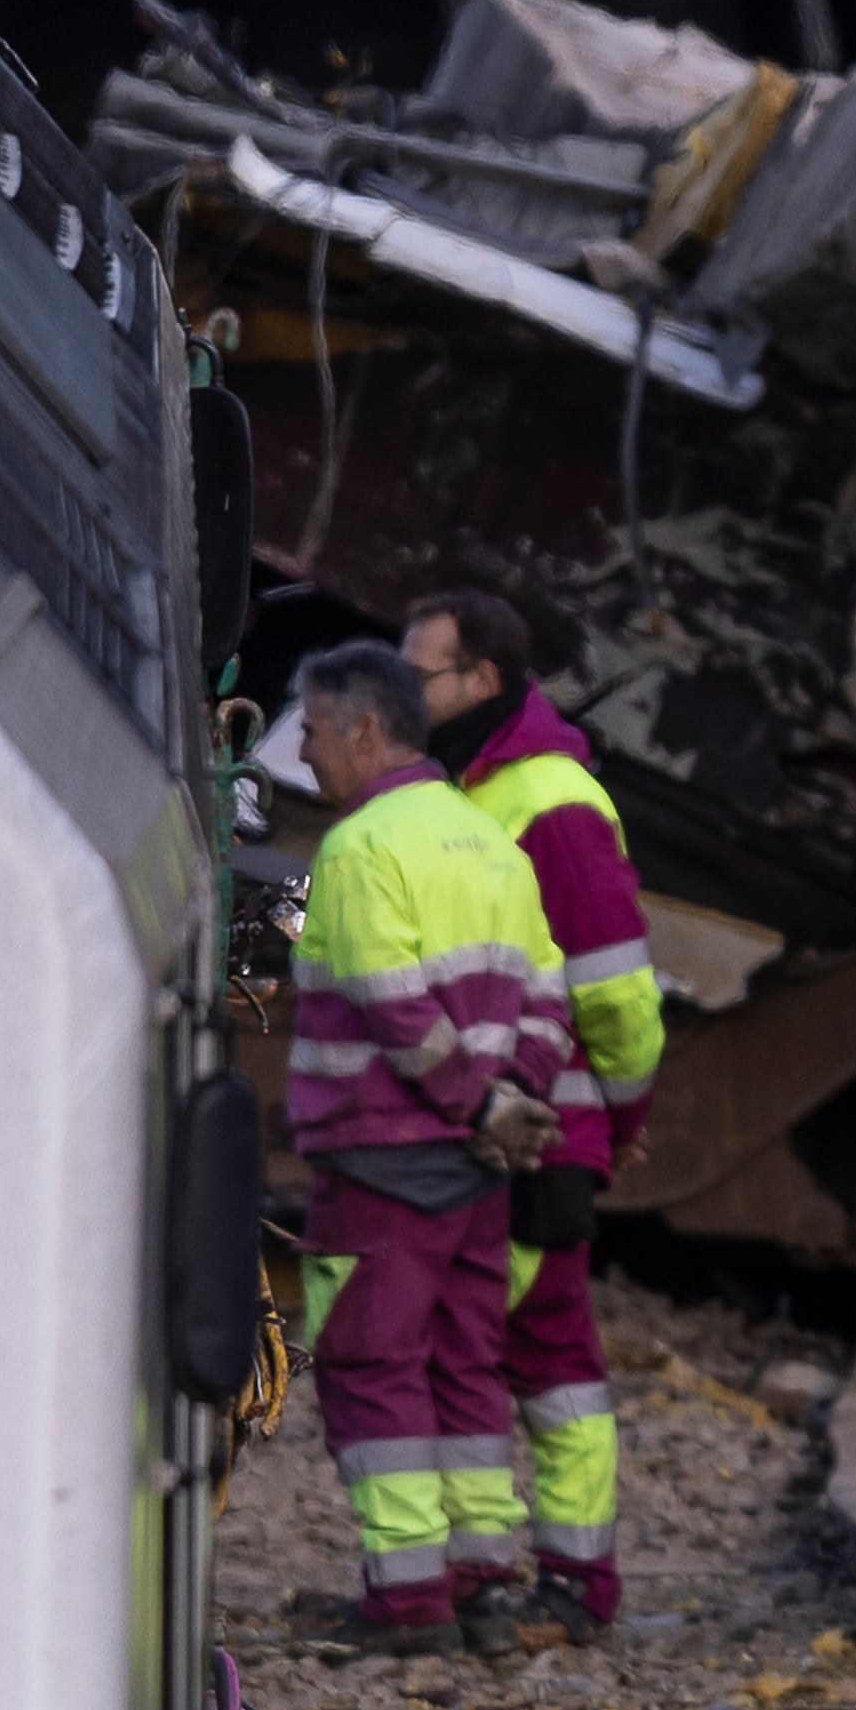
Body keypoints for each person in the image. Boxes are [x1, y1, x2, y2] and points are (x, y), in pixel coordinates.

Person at [283, 641, 573, 1643]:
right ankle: (481, 1578)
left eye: (313, 734)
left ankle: (406, 1597)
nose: (302, 758)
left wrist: (469, 1099)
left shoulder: (361, 850)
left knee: (372, 1364)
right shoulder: (491, 843)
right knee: (462, 1364)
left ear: (366, 732)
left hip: (379, 1157)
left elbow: (393, 1005)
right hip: (478, 1169)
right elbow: (549, 995)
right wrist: (512, 1098)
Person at [405, 592, 663, 1633]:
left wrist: (623, 1105)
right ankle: (511, 1576)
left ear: (481, 681)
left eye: (419, 673)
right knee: (497, 1347)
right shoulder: (475, 791)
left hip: (536, 1129)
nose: (401, 690)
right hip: (491, 1122)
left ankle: (558, 1581)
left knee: (534, 1350)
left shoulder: (544, 798)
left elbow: (613, 984)